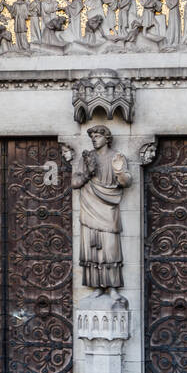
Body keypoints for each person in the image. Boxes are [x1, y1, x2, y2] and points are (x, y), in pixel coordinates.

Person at [71, 125, 132, 296]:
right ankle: (97, 286)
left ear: (107, 138)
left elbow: (126, 182)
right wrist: (87, 174)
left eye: (98, 136)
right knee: (92, 248)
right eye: (93, 136)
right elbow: (74, 183)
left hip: (109, 207)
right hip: (89, 205)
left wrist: (119, 171)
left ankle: (112, 287)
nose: (94, 139)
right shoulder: (87, 158)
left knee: (110, 249)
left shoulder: (117, 157)